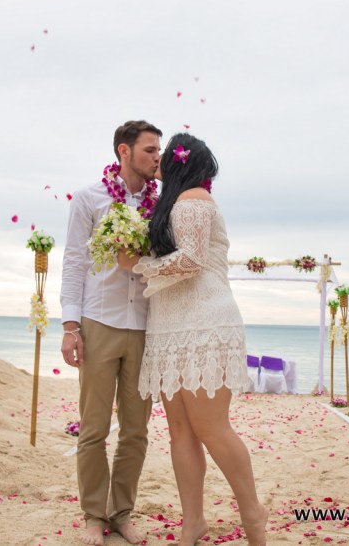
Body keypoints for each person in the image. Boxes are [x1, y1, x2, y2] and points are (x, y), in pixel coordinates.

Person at [120, 133, 267, 546]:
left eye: (166, 154)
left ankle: (253, 513)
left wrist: (139, 265)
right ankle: (193, 523)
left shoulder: (194, 200)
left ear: (181, 162)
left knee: (212, 428)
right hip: (171, 324)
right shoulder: (176, 202)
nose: (160, 160)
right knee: (181, 432)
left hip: (203, 323)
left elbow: (190, 261)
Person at [60, 120, 162, 546]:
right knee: (94, 428)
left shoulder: (162, 204)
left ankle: (121, 513)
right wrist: (70, 325)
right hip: (99, 321)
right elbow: (74, 261)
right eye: (150, 150)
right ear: (124, 151)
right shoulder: (89, 198)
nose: (158, 157)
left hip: (146, 325)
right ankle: (93, 515)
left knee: (136, 431)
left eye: (159, 150)